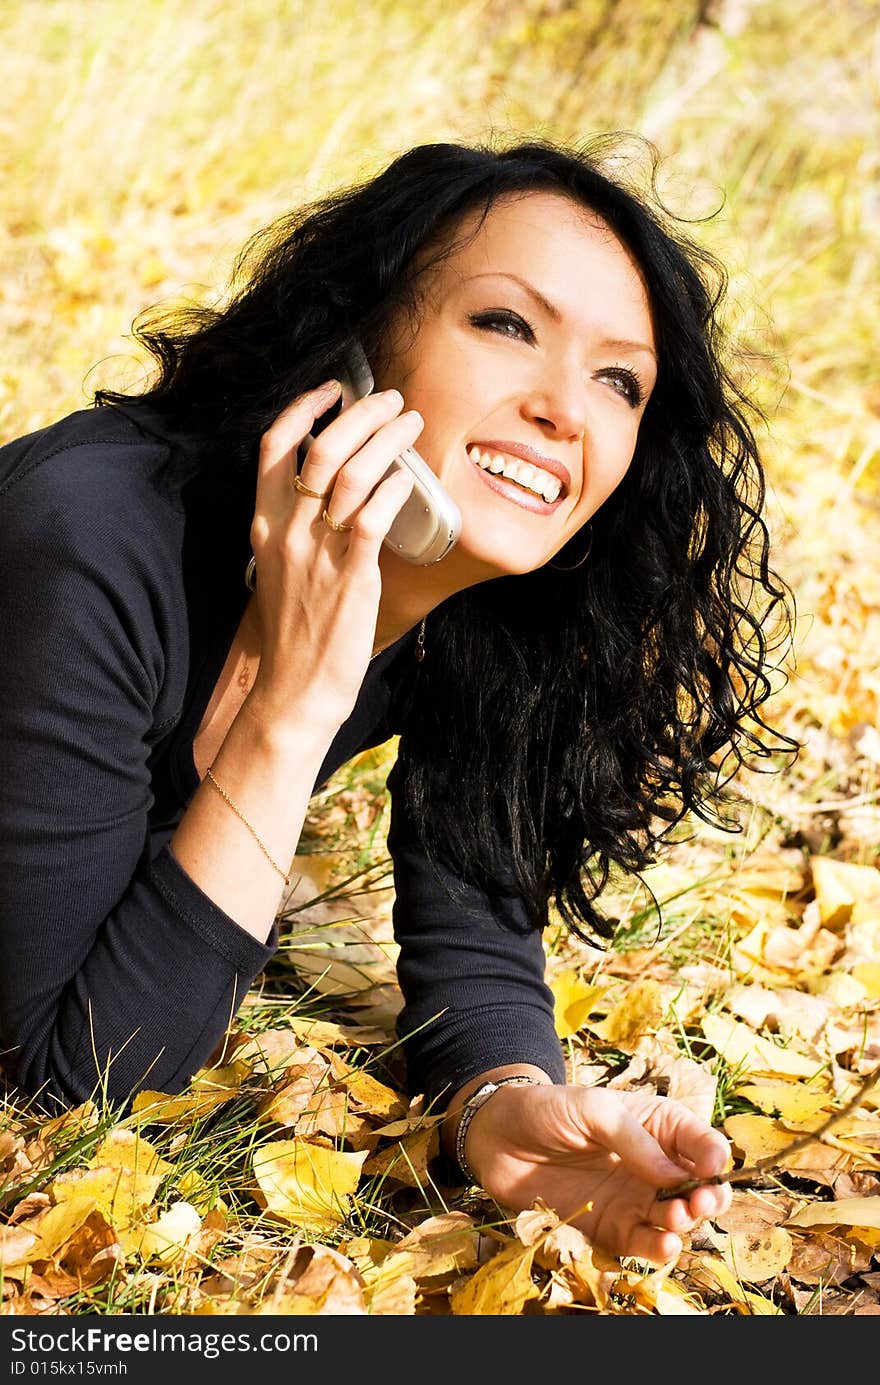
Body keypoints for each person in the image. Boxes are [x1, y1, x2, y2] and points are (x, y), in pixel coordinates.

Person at [0, 137, 798, 1266]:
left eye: (619, 380)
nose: (564, 409)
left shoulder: (473, 614)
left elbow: (473, 935)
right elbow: (76, 1084)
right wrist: (297, 707)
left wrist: (507, 1109)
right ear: (362, 341)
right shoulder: (93, 540)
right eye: (506, 324)